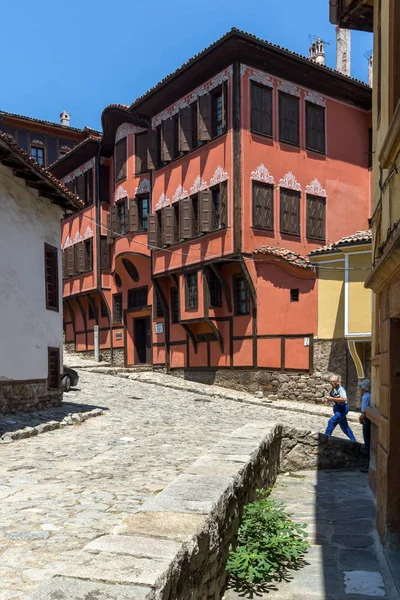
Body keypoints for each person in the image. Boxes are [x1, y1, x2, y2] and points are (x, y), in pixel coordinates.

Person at [324, 374, 356, 441]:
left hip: (342, 409)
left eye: (334, 381)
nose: (332, 383)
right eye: (331, 382)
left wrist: (332, 398)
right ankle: (353, 441)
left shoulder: (341, 389)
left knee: (331, 421)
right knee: (344, 427)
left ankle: (325, 438)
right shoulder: (333, 389)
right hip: (337, 408)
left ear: (337, 382)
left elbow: (344, 399)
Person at [359, 379, 371, 473]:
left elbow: (364, 413)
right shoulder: (371, 396)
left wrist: (360, 419)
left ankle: (368, 464)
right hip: (371, 421)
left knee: (367, 442)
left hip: (366, 422)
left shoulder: (365, 397)